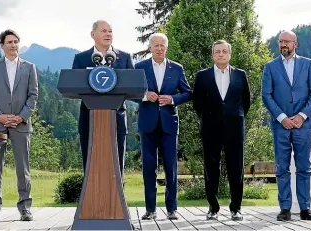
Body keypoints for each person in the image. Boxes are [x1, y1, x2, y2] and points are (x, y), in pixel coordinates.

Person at [261, 30, 311, 221]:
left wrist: (302, 116)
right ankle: (285, 208)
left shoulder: (308, 64)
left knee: (304, 167)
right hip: (281, 126)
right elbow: (266, 95)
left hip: (303, 125)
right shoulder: (270, 67)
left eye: (287, 41)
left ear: (296, 44)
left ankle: (305, 209)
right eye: (281, 41)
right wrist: (282, 117)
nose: (283, 44)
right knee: (282, 168)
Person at [134, 33, 192, 220]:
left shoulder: (177, 68)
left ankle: (172, 209)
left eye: (162, 45)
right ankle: (150, 209)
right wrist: (144, 95)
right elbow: (130, 93)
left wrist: (173, 99)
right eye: (155, 45)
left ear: (166, 47)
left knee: (170, 167)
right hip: (147, 124)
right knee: (149, 167)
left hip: (169, 124)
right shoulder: (140, 67)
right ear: (150, 47)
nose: (159, 48)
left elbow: (188, 93)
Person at [0, 29, 38, 222]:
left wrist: (21, 117)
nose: (13, 45)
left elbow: (33, 96)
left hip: (21, 125)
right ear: (2, 45)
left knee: (23, 168)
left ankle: (25, 208)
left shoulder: (29, 67)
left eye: (16, 42)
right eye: (9, 42)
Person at [192, 40, 250, 221]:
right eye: (217, 51)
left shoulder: (241, 75)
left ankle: (236, 208)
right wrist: (208, 117)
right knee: (211, 169)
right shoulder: (202, 76)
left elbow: (246, 102)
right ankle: (213, 207)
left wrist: (234, 115)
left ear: (230, 54)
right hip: (210, 127)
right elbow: (197, 103)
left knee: (236, 168)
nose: (221, 54)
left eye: (224, 51)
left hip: (235, 127)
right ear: (212, 55)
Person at [72, 20, 134, 176]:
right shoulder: (81, 58)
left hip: (117, 119)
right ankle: (90, 200)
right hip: (89, 119)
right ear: (93, 34)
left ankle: (118, 199)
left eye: (110, 31)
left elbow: (134, 86)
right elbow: (73, 86)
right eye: (104, 31)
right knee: (90, 165)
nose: (108, 34)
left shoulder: (124, 58)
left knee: (116, 167)